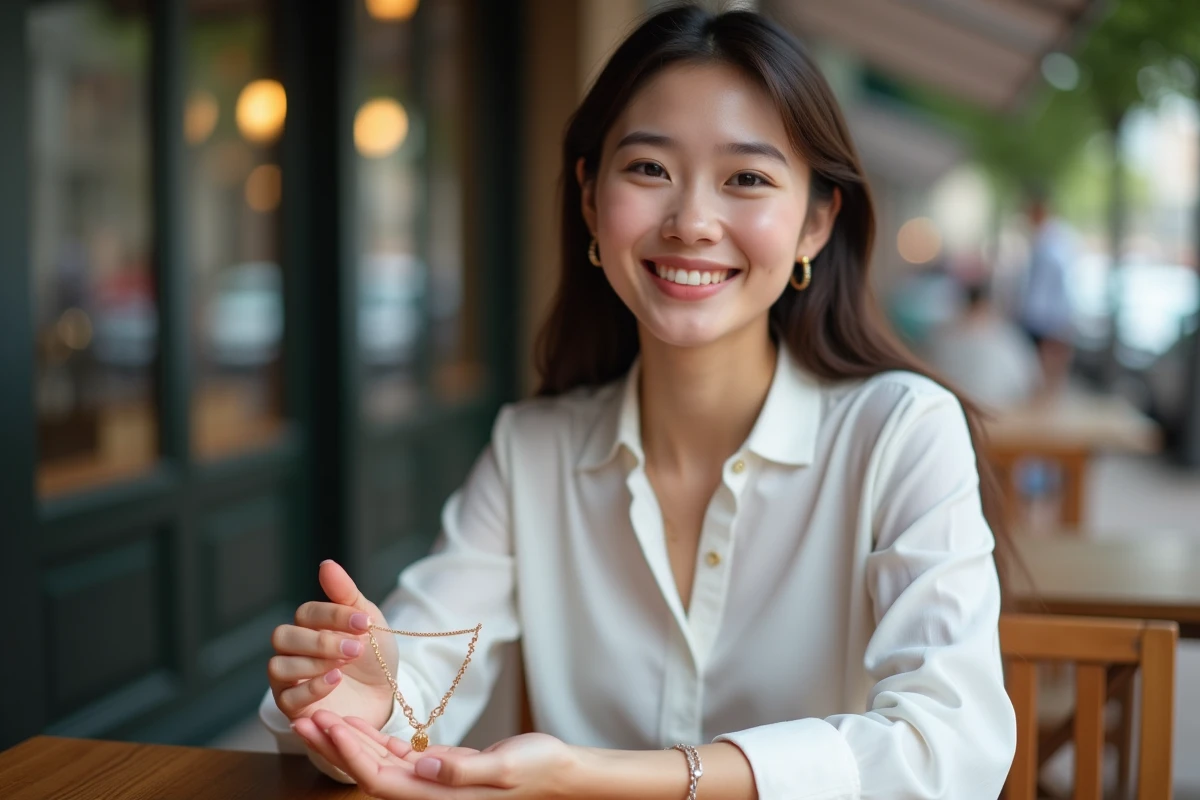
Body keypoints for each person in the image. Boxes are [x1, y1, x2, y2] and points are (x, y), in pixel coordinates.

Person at [260, 6, 1017, 798]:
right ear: (590, 199)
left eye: (747, 179)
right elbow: (419, 675)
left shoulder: (901, 431)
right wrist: (362, 703)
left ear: (816, 224)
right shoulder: (534, 449)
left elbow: (950, 746)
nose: (691, 221)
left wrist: (595, 777)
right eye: (649, 168)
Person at [925, 277, 1041, 411]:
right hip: (1001, 415)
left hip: (954, 410)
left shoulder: (940, 336)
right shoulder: (1007, 337)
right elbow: (1030, 382)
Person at [1018, 192, 1076, 398]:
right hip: (1041, 315)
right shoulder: (1045, 239)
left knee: (1048, 371)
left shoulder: (1053, 240)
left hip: (1048, 316)